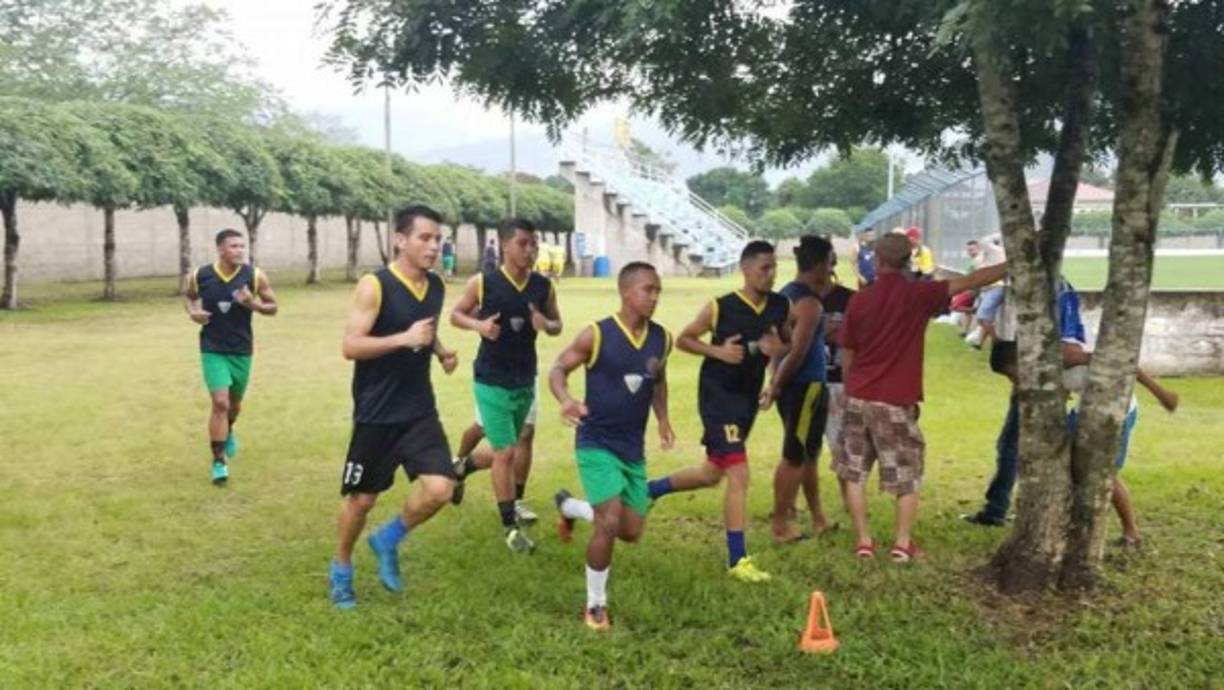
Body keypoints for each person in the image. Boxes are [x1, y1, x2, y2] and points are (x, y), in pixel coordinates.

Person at [962, 278, 1175, 545]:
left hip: (1115, 408)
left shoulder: (1062, 355)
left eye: (1012, 374)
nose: (1014, 382)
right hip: (1085, 408)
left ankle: (1131, 531)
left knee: (1102, 472)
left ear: (1020, 361)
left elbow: (1119, 362)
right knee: (1073, 466)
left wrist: (1161, 394)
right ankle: (1070, 523)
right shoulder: (1042, 376)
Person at [836, 233, 1007, 562]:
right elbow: (973, 279)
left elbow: (847, 349)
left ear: (877, 260)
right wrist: (1014, 263)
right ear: (909, 261)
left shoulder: (860, 300)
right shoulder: (919, 295)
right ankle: (901, 544)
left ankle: (864, 542)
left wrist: (850, 388)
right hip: (895, 399)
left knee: (854, 471)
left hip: (858, 394)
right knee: (907, 474)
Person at [328, 204, 461, 610]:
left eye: (438, 239)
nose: (433, 246)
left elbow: (426, 326)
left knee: (441, 488)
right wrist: (404, 339)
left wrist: (439, 350)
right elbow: (351, 346)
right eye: (424, 238)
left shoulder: (435, 285)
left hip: (419, 407)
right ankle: (342, 569)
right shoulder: (375, 285)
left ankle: (388, 539)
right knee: (362, 501)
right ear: (400, 240)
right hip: (377, 412)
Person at [646, 240, 790, 582]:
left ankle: (651, 490)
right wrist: (718, 352)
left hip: (746, 400)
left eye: (774, 269)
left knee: (712, 473)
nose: (770, 275)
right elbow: (685, 339)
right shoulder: (720, 307)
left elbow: (783, 342)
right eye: (763, 268)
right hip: (717, 397)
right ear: (746, 268)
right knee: (739, 474)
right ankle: (737, 560)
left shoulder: (780, 305)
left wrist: (774, 368)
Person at [550, 262, 674, 630]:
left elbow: (659, 380)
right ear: (625, 291)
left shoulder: (662, 338)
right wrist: (566, 400)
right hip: (596, 441)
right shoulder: (597, 334)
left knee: (631, 530)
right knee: (608, 521)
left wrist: (663, 418)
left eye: (657, 291)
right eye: (647, 289)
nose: (653, 297)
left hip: (631, 448)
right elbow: (558, 368)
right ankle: (595, 605)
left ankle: (570, 507)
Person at [449, 219, 563, 553]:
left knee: (512, 445)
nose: (530, 251)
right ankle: (510, 527)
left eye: (534, 245)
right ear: (504, 244)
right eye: (524, 244)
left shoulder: (543, 287)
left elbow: (557, 324)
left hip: (524, 378)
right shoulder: (483, 283)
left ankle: (462, 466)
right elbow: (456, 315)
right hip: (490, 378)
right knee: (506, 452)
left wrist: (547, 324)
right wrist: (478, 325)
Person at [184, 229, 278, 486]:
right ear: (220, 250)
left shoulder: (254, 276)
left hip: (241, 349)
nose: (239, 250)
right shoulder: (200, 275)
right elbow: (189, 298)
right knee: (221, 403)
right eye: (234, 246)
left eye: (241, 246)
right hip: (212, 348)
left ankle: (229, 429)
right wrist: (193, 312)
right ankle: (218, 461)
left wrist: (253, 304)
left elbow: (274, 308)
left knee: (234, 406)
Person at [766, 236, 833, 543]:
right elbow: (797, 351)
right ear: (819, 266)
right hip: (806, 387)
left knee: (808, 455)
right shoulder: (809, 304)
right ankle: (781, 525)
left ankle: (818, 518)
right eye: (830, 264)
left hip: (794, 387)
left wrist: (774, 381)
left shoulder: (785, 297)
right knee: (794, 456)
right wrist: (776, 384)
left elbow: (776, 348)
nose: (832, 270)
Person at [964, 234, 1007, 348]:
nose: (970, 252)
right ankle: (980, 344)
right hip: (986, 289)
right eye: (969, 250)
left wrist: (999, 233)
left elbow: (984, 241)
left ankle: (998, 342)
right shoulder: (983, 258)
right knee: (986, 318)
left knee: (982, 317)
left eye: (972, 249)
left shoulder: (995, 252)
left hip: (994, 288)